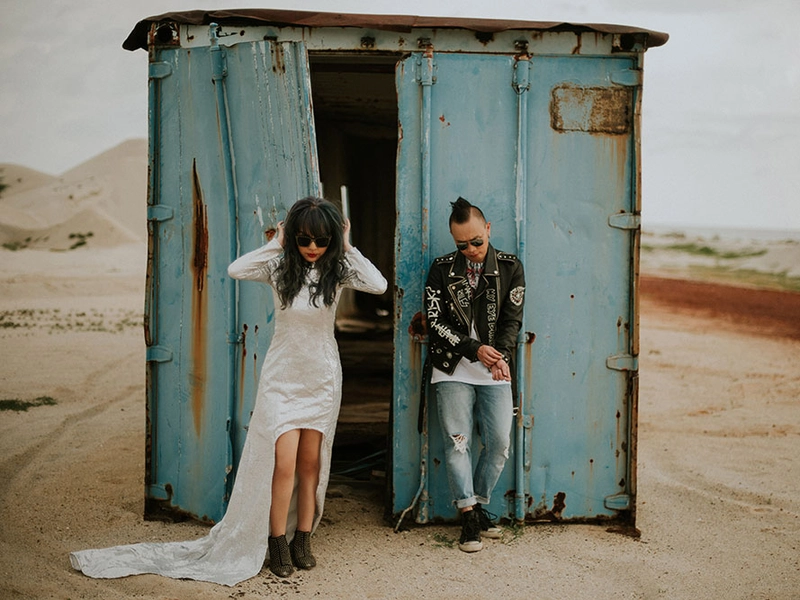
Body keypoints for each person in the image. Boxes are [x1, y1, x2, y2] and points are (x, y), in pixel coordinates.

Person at [70, 197, 387, 585]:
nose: (312, 247)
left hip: (322, 378)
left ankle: (302, 539)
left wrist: (348, 245)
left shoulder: (336, 272)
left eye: (322, 240)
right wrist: (277, 242)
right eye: (304, 239)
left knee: (311, 466)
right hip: (282, 378)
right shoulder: (279, 268)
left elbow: (378, 284)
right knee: (283, 464)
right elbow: (236, 269)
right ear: (293, 237)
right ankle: (276, 542)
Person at [424, 196, 525, 553]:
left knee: (499, 443)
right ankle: (468, 515)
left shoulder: (510, 267)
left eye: (476, 242)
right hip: (452, 366)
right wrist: (474, 349)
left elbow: (512, 320)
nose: (471, 250)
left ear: (488, 230)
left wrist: (500, 357)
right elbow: (435, 323)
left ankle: (479, 503)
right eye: (461, 245)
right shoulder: (441, 269)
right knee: (458, 442)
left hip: (495, 367)